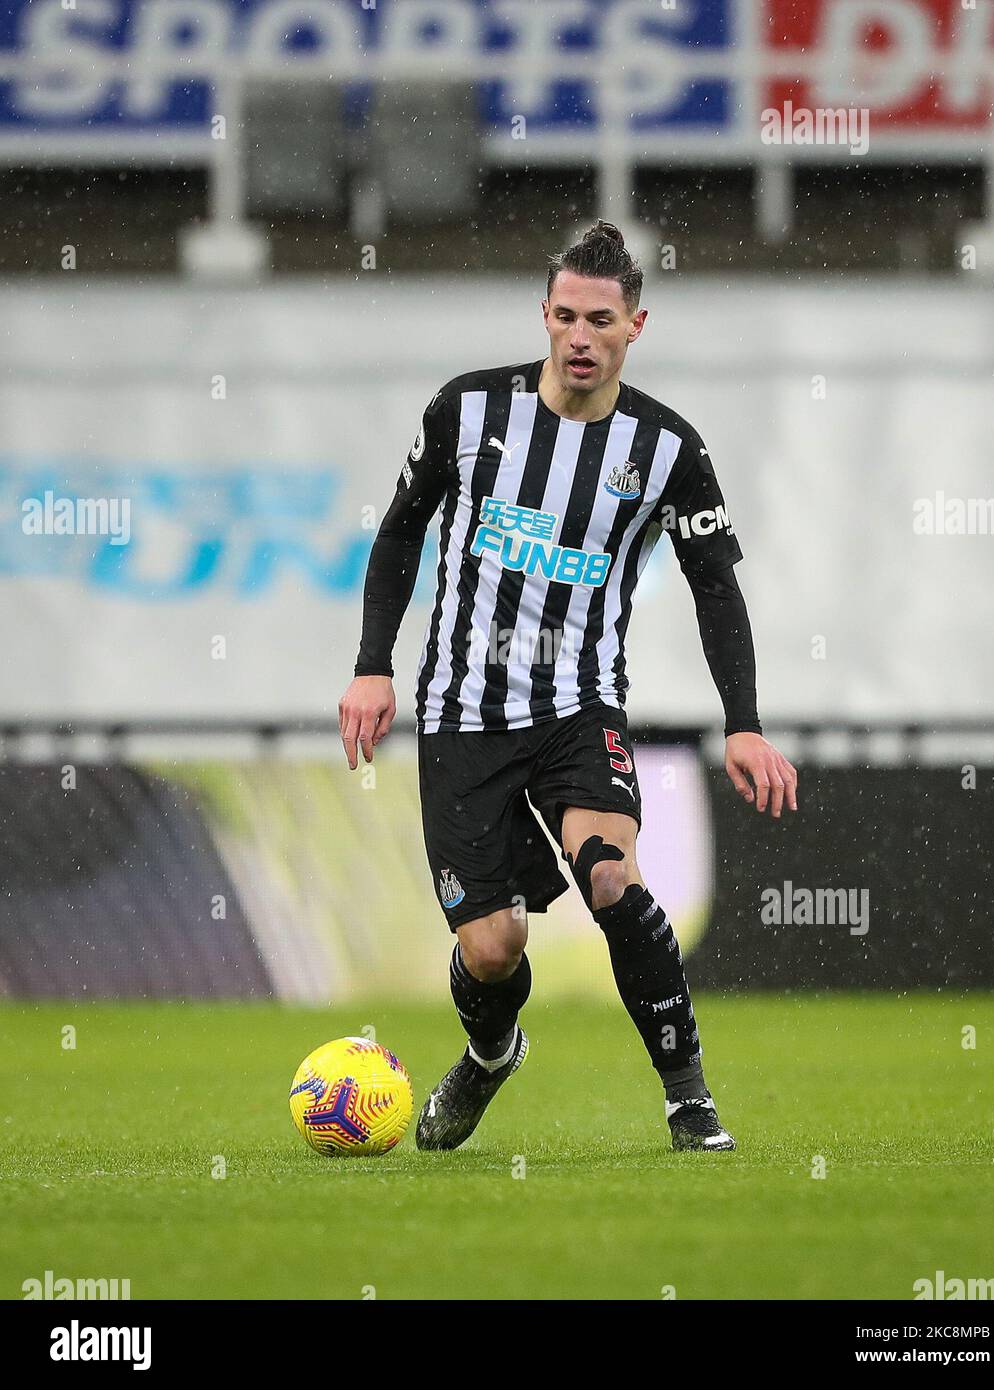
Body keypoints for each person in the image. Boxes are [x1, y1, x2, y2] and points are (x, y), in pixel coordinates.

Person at [339, 221, 797, 1153]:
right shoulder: (465, 413)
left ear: (636, 325)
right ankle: (492, 1053)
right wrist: (372, 665)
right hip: (463, 717)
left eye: (601, 319)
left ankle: (689, 1101)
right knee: (493, 948)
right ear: (543, 317)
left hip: (579, 709)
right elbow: (398, 535)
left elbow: (717, 584)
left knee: (614, 880)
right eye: (564, 316)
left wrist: (743, 725)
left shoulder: (668, 450)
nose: (580, 337)